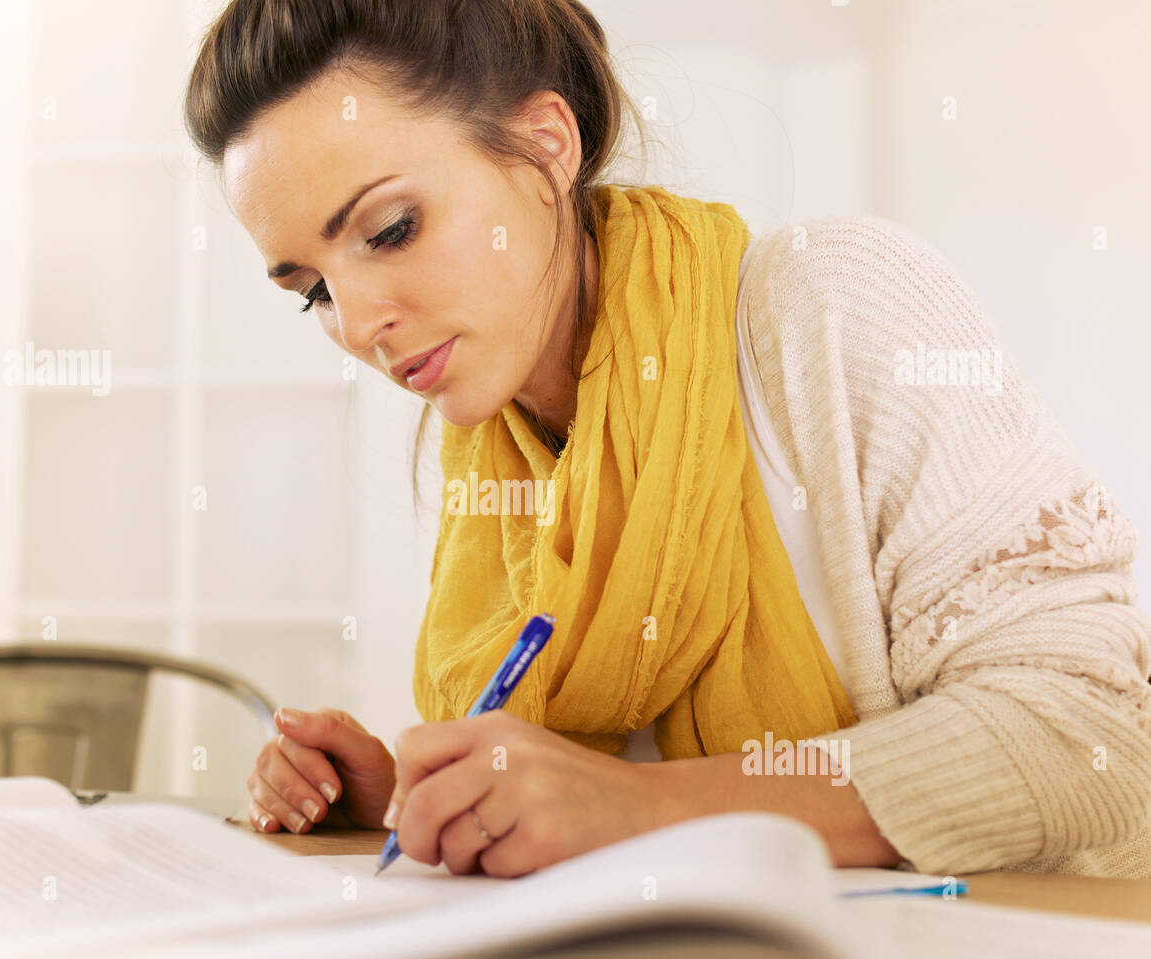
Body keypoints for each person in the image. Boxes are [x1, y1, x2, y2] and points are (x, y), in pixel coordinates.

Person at [184, 0, 1151, 879]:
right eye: (310, 289)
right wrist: (408, 800)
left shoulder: (834, 304)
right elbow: (572, 787)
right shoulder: (498, 455)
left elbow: (1096, 730)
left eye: (390, 229)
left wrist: (641, 812)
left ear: (544, 144)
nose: (353, 325)